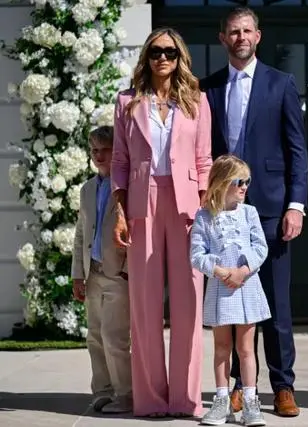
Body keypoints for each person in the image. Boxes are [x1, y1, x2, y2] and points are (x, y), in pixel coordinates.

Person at [199, 6, 308, 417]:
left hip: (271, 210)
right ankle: (237, 389)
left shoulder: (281, 83)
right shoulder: (208, 88)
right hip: (223, 213)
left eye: (247, 30)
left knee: (276, 303)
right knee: (231, 304)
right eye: (233, 31)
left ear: (258, 36)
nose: (241, 37)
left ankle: (283, 386)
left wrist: (295, 205)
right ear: (222, 38)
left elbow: (298, 151)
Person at [111, 27, 213, 418]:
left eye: (170, 52)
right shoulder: (126, 102)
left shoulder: (197, 100)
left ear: (180, 57)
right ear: (147, 57)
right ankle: (151, 399)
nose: (163, 58)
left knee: (189, 303)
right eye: (156, 52)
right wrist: (120, 211)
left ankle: (186, 399)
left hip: (187, 205)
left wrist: (205, 209)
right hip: (142, 202)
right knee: (145, 304)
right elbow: (119, 161)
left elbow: (204, 160)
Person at [191, 155, 270, 427]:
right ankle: (222, 402)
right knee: (222, 347)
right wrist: (221, 271)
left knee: (246, 348)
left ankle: (250, 402)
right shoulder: (204, 216)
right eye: (239, 181)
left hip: (246, 287)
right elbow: (197, 255)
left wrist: (243, 271)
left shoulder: (250, 213)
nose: (244, 186)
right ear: (222, 182)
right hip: (220, 289)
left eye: (248, 181)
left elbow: (260, 247)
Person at [71, 126, 132, 414]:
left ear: (116, 152)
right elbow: (80, 233)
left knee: (114, 336)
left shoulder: (126, 188)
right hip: (92, 271)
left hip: (117, 272)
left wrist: (126, 270)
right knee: (94, 336)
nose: (98, 155)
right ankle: (103, 390)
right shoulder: (87, 189)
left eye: (104, 150)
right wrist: (77, 274)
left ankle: (126, 394)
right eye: (94, 150)